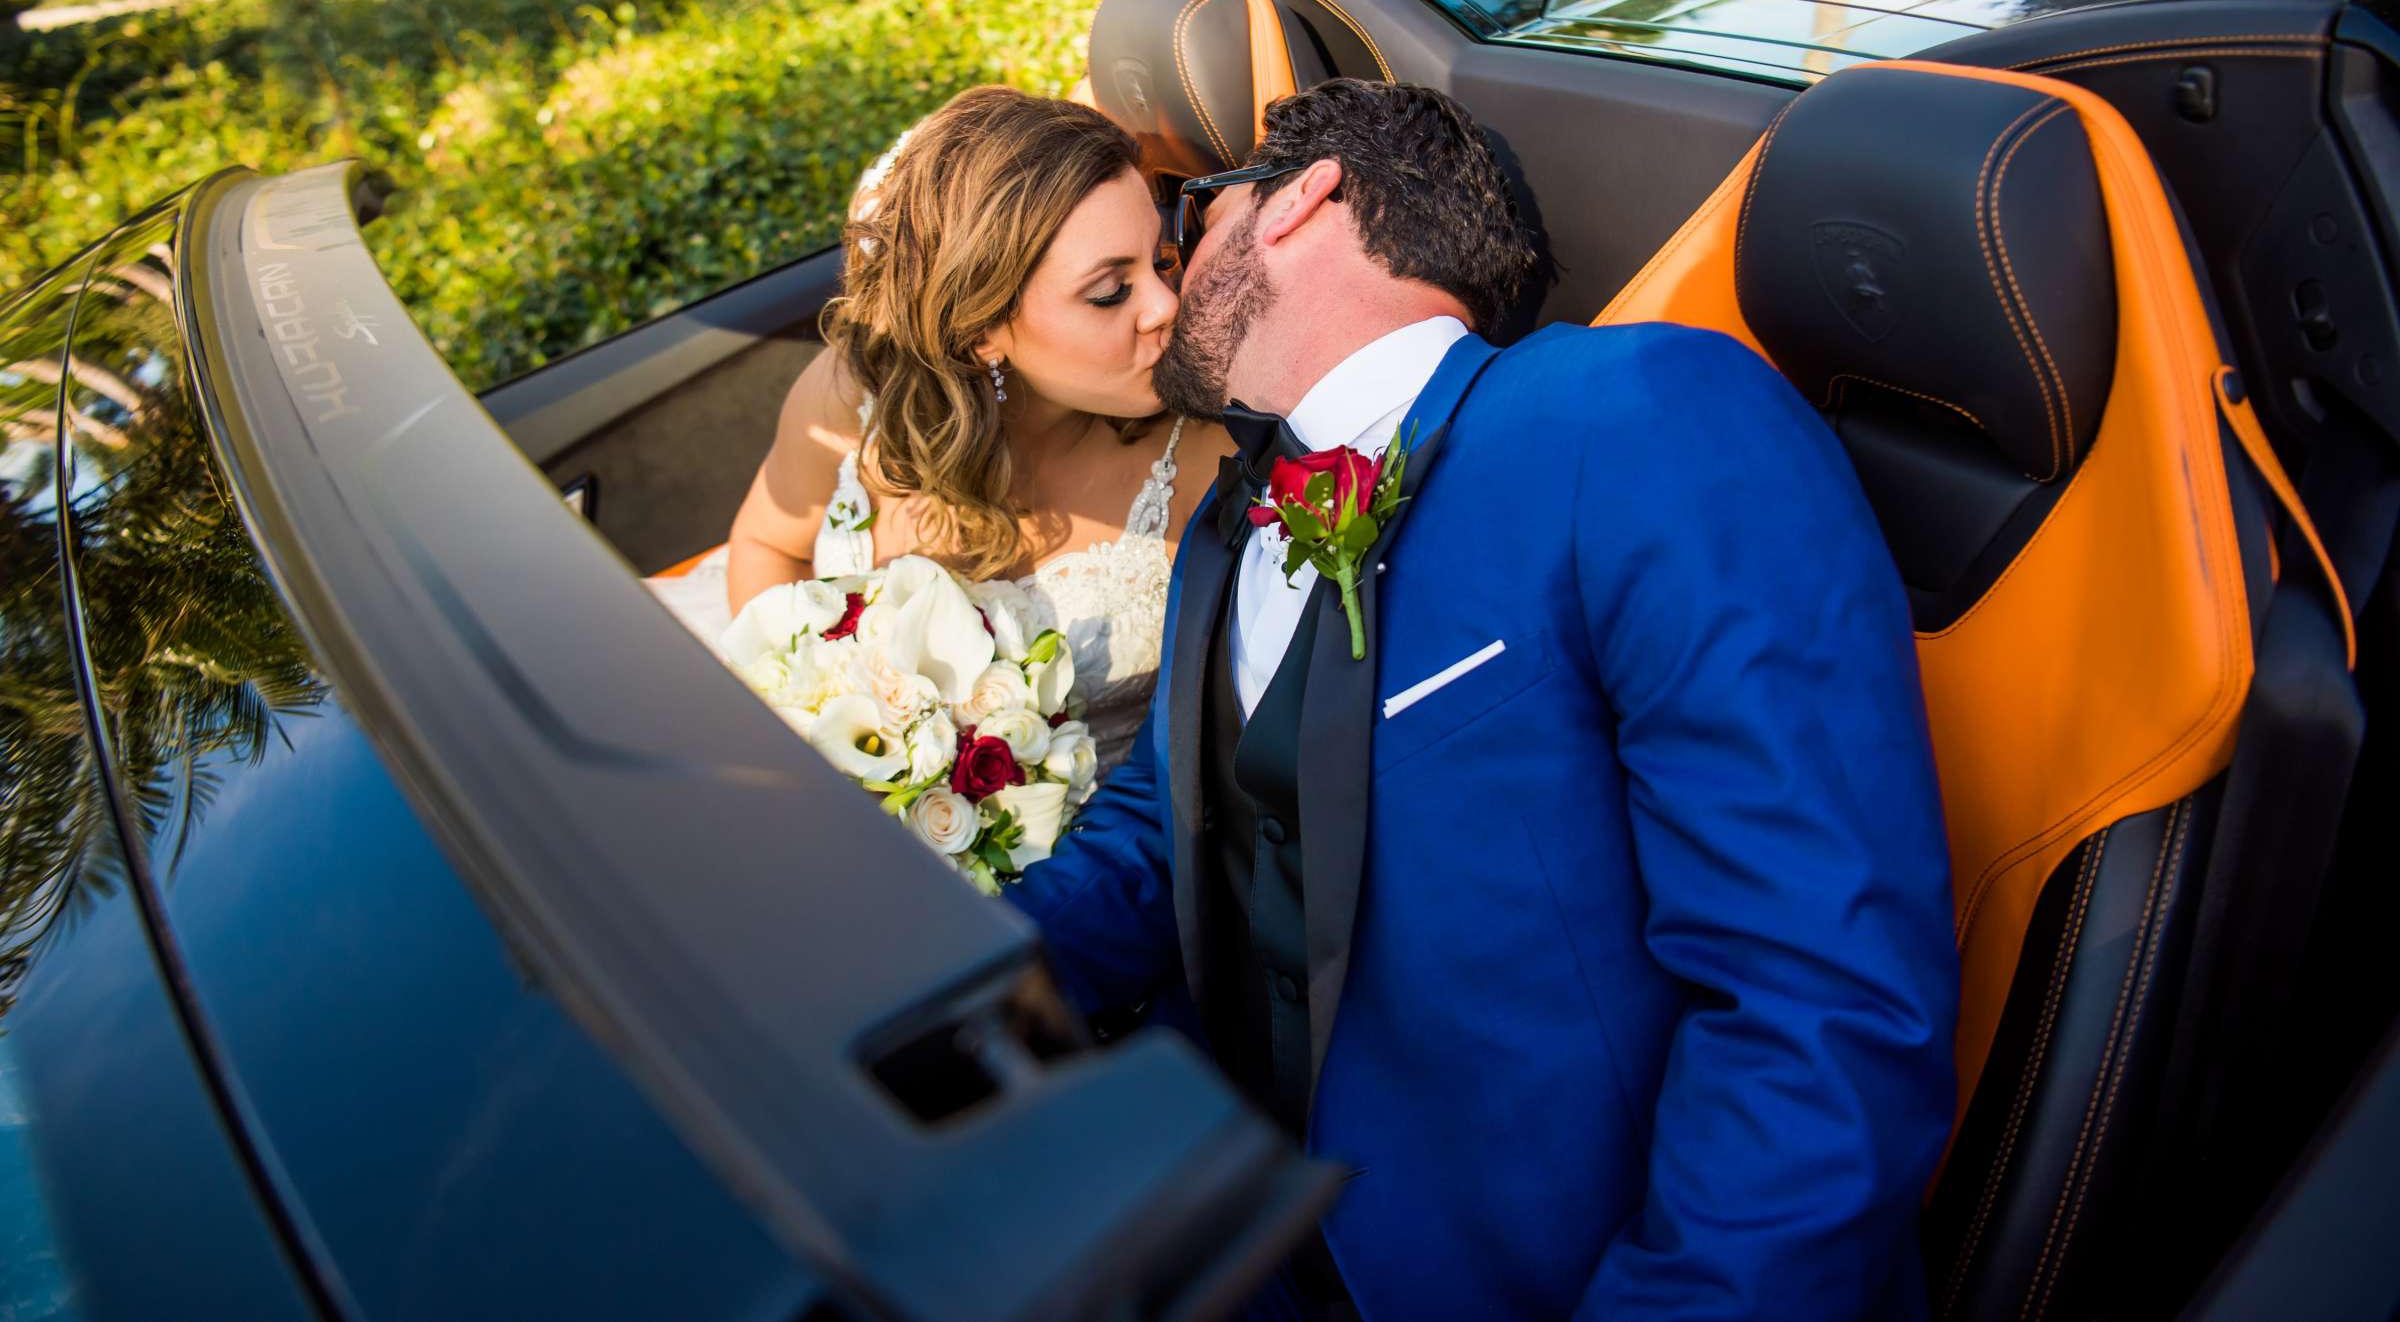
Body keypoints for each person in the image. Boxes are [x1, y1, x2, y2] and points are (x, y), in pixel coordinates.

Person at [1009, 78, 1961, 1321]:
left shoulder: (1637, 418)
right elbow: (1166, 823)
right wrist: (923, 1002)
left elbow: (1820, 1000)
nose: (1175, 264)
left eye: (1198, 210)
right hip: (1201, 1211)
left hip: (1523, 1274)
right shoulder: (1228, 521)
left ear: (1305, 197)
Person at [648, 85, 1232, 780]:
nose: (1166, 305)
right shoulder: (849, 395)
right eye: (1110, 291)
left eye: (1162, 260)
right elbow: (769, 545)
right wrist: (807, 709)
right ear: (981, 329)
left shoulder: (1211, 462)